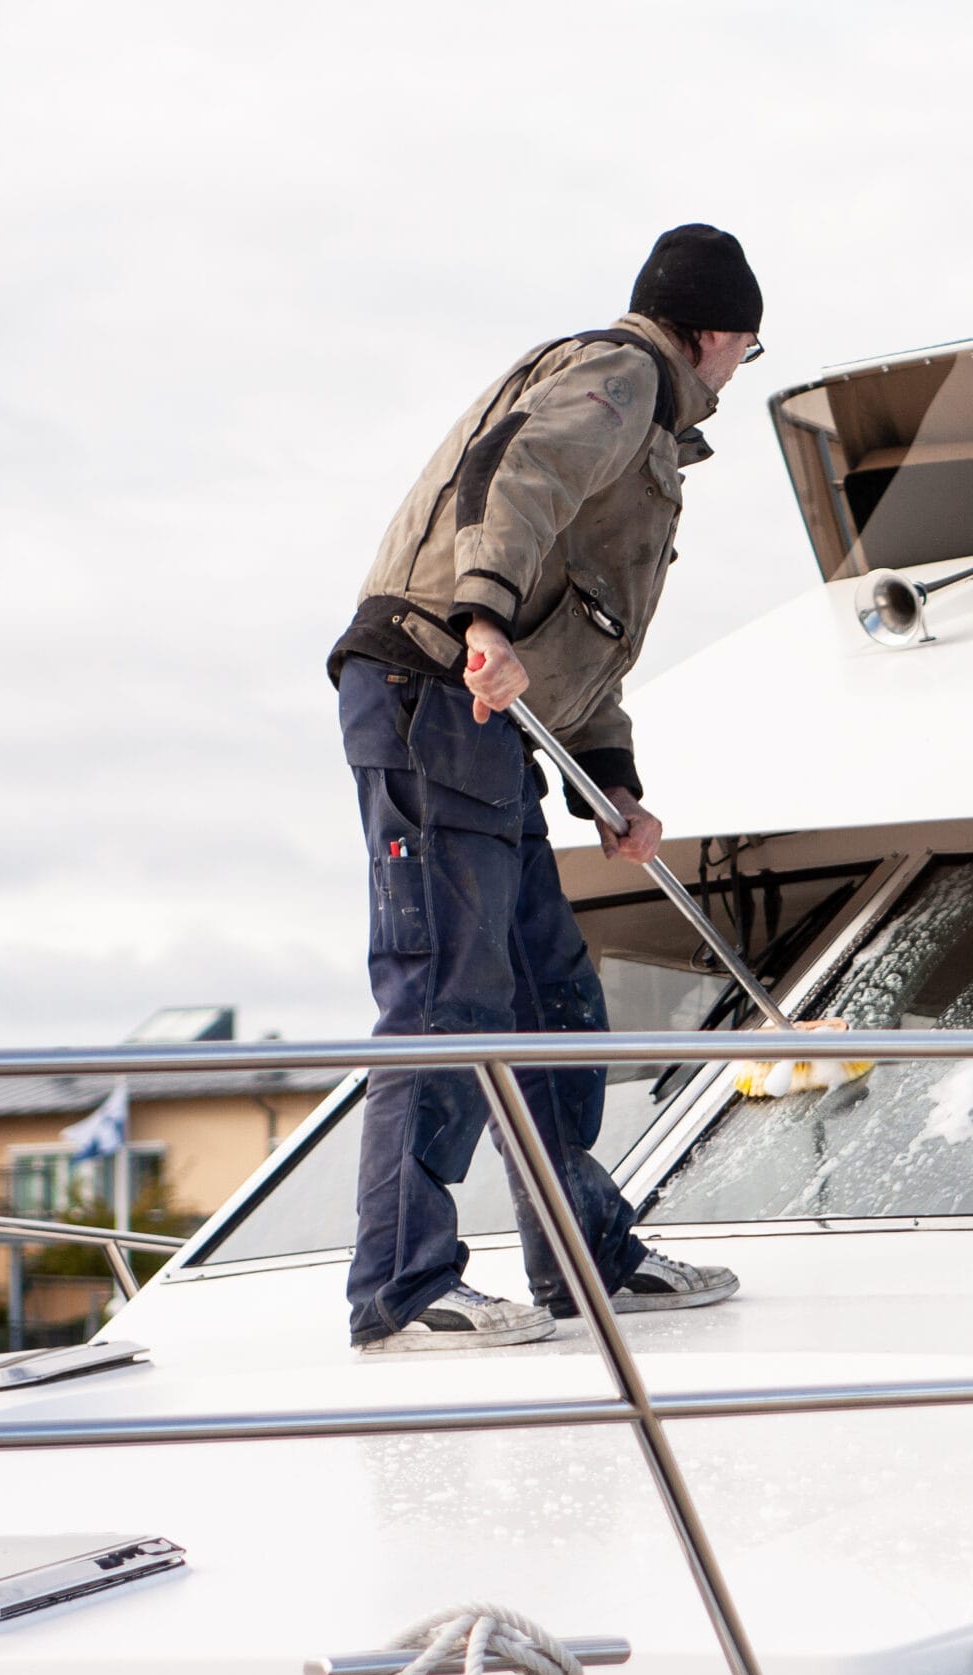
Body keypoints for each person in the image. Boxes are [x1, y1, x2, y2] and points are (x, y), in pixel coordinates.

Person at [325, 225, 765, 1351]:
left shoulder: (645, 421)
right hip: (435, 692)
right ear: (716, 334)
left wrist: (612, 783)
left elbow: (583, 640)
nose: (731, 378)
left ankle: (586, 1256)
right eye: (743, 355)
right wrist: (481, 620)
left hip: (492, 720)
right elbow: (515, 473)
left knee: (552, 996)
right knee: (445, 995)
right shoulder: (620, 375)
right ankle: (403, 1289)